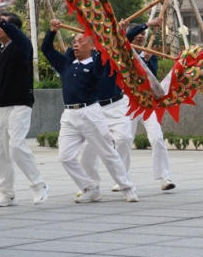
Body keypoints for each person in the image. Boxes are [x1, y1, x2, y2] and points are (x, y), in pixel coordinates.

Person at [41, 19, 137, 203]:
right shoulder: (66, 64)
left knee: (108, 153)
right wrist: (52, 31)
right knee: (65, 157)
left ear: (92, 45)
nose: (76, 44)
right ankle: (90, 188)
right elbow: (47, 50)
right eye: (74, 42)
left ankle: (127, 187)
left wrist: (117, 35)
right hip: (69, 115)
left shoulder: (97, 64)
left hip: (91, 113)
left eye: (80, 41)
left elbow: (111, 54)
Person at [0, 12, 49, 208]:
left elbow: (21, 40)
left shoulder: (22, 47)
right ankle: (7, 193)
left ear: (14, 29)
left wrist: (0, 19)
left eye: (4, 24)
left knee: (16, 146)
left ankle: (39, 185)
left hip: (20, 105)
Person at [124, 19, 175, 191]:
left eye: (143, 35)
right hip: (128, 102)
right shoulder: (124, 53)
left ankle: (165, 177)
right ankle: (121, 178)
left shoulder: (150, 55)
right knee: (124, 140)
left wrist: (147, 61)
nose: (141, 37)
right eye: (138, 34)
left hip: (147, 104)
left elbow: (152, 79)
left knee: (157, 137)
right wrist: (148, 24)